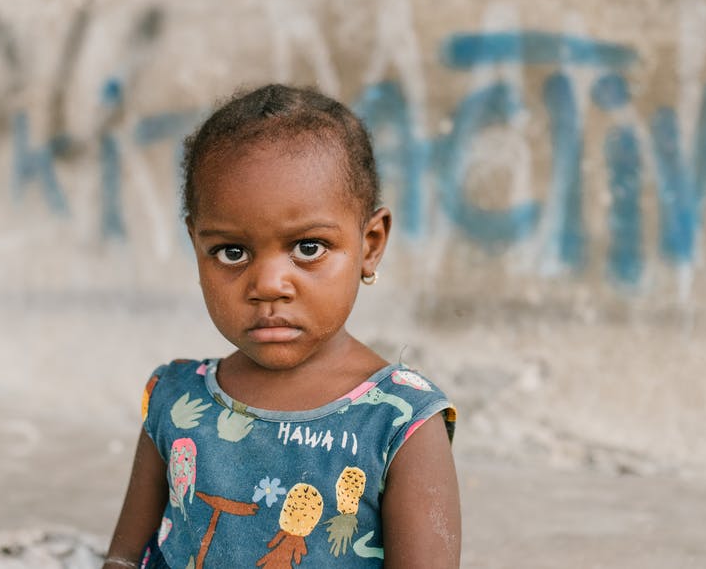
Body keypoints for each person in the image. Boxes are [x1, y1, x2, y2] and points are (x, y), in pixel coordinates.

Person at [103, 84, 459, 569]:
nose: (269, 285)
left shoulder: (401, 422)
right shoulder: (175, 399)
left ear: (370, 244)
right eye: (232, 251)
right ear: (196, 245)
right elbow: (124, 558)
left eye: (308, 247)